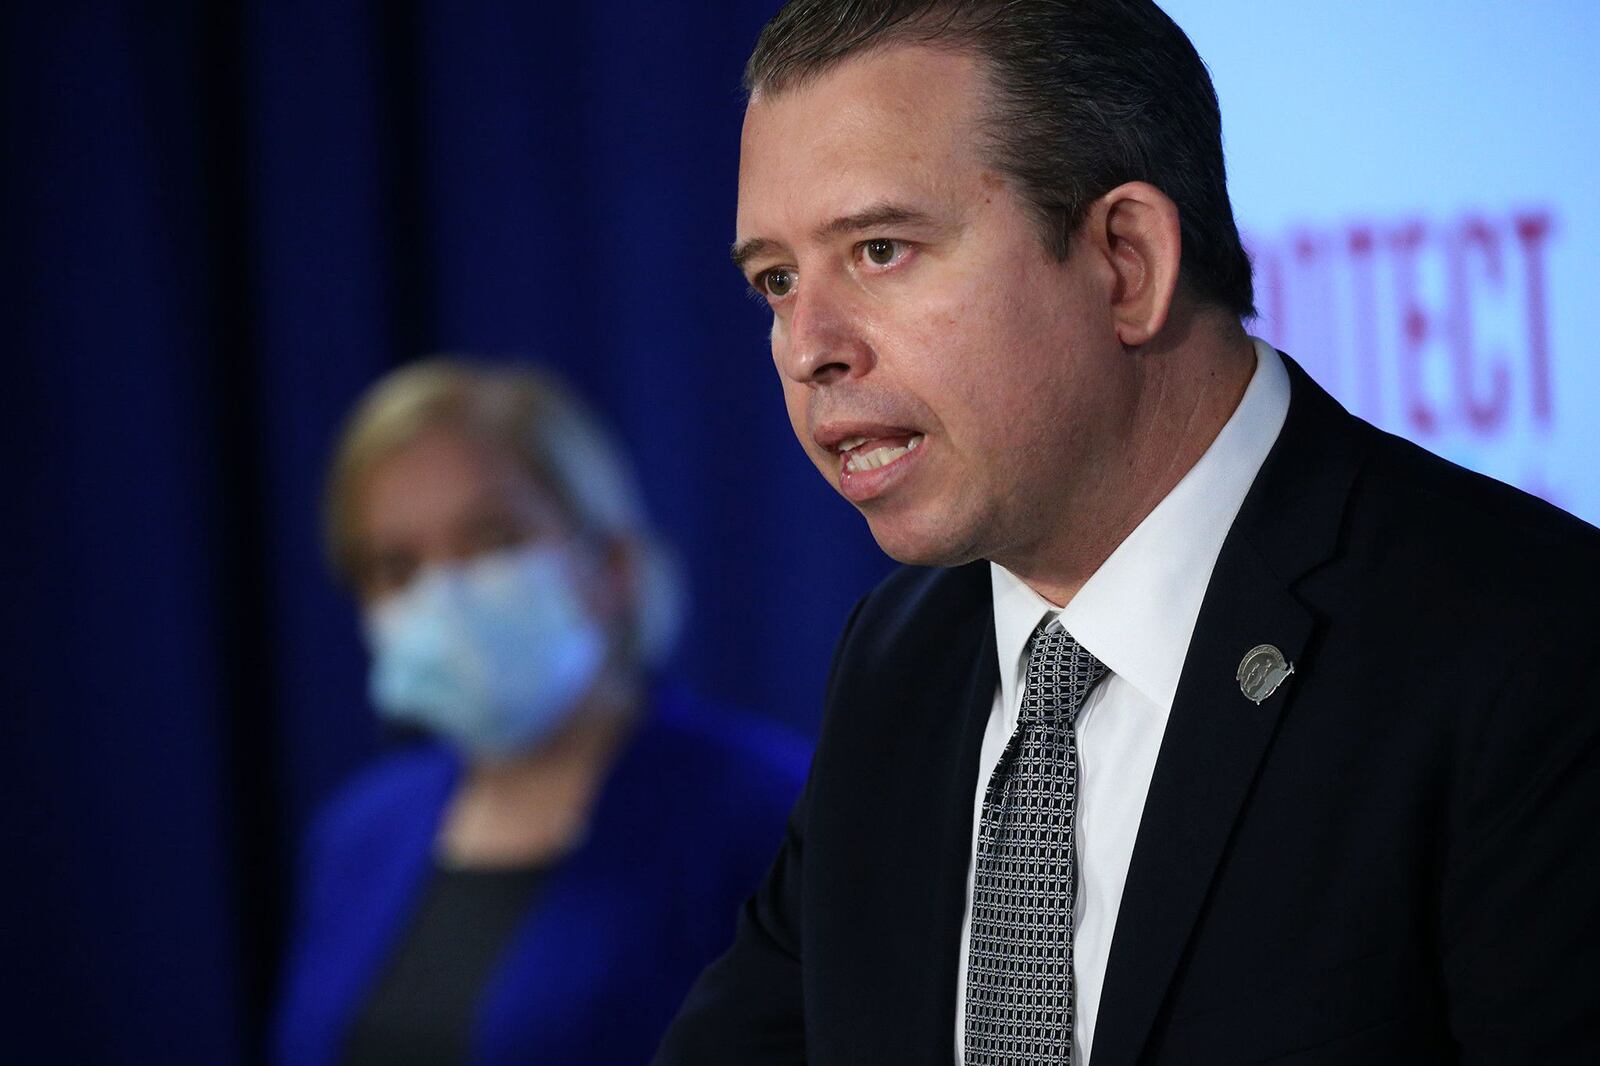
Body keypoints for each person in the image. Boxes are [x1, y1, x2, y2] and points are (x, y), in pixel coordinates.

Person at [654, 2, 1600, 1064]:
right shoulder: (898, 658)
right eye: (775, 281)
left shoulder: (1532, 648)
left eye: (879, 250)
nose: (806, 348)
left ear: (1126, 260)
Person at [271, 359, 807, 1066]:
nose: (445, 596)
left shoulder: (768, 810)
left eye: (492, 539)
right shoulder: (360, 834)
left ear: (611, 564)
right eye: (397, 568)